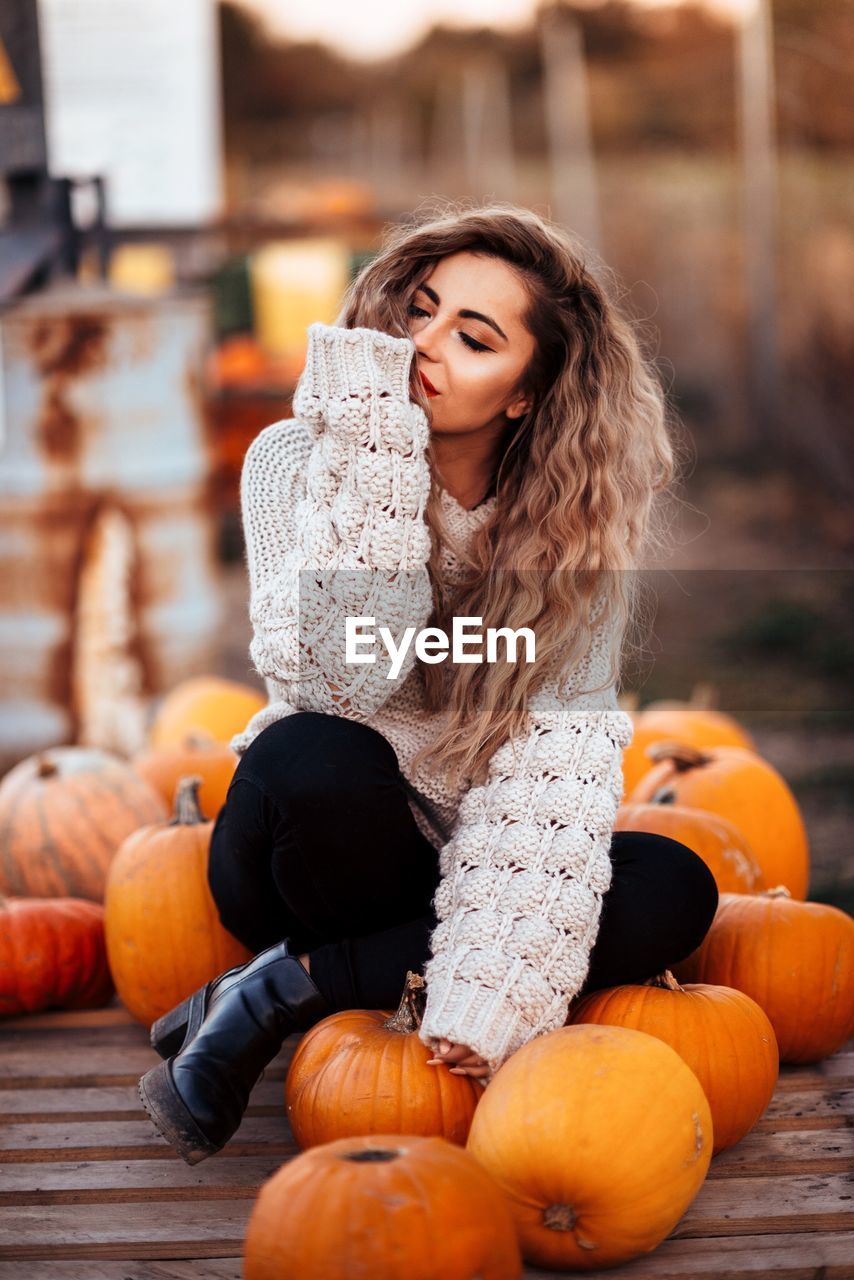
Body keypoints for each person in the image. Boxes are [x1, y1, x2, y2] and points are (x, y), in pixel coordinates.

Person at [138, 205, 718, 1165]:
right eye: (420, 309)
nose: (423, 343)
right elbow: (337, 676)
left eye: (473, 336)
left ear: (526, 393)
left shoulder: (569, 539)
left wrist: (490, 992)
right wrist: (374, 450)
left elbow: (549, 775)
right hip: (308, 844)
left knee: (672, 884)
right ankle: (330, 958)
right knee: (317, 754)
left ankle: (279, 990)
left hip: (441, 864)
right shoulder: (291, 462)